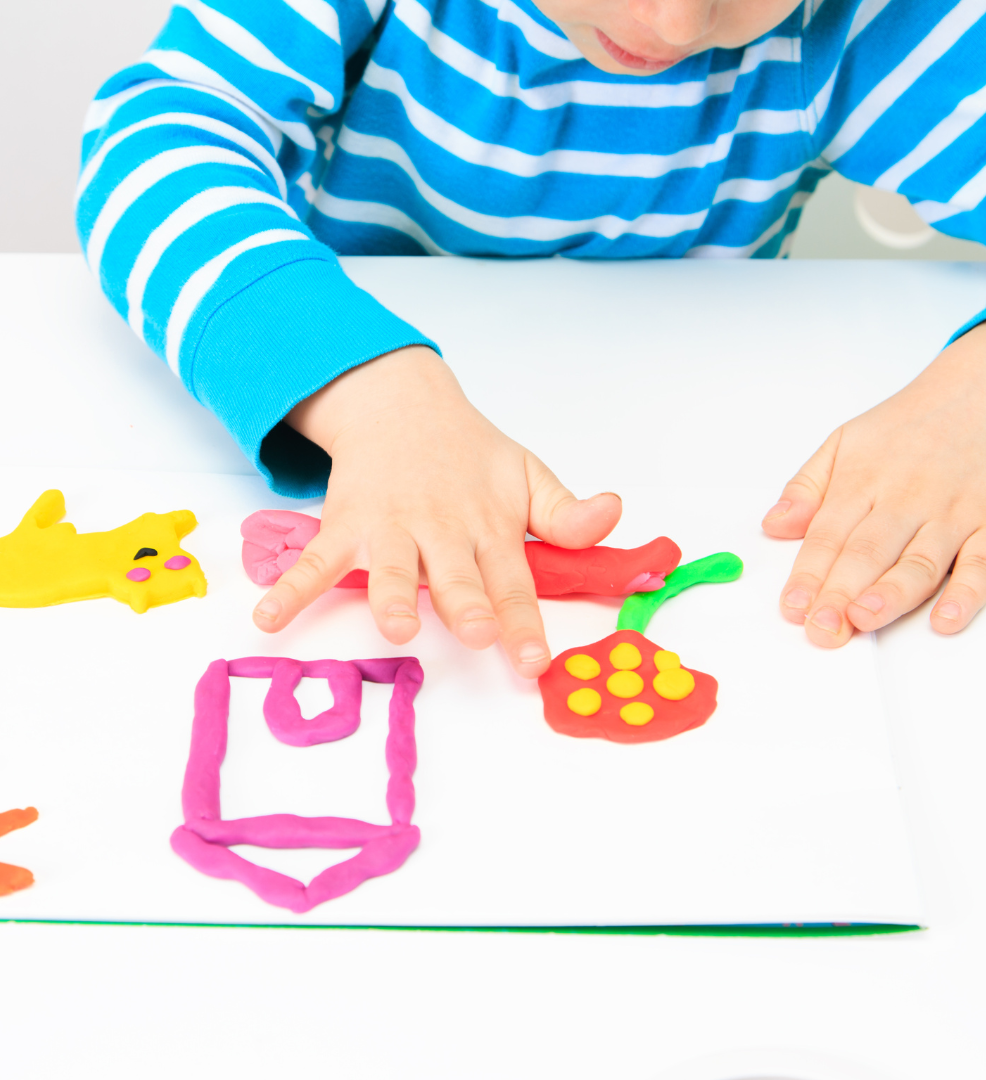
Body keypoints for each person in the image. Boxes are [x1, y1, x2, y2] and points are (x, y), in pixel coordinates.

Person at [76, 0, 986, 676]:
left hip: (697, 427)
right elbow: (155, 136)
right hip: (342, 405)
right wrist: (364, 393)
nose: (672, 23)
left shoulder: (859, 24)